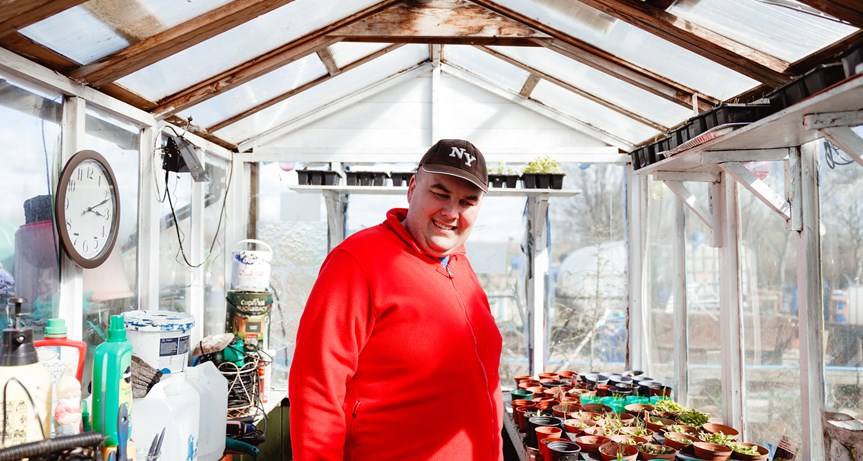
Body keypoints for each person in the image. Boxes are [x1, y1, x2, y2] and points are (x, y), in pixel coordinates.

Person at [289, 139, 503, 460]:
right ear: (412, 187)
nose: (451, 212)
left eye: (467, 202)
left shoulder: (461, 266)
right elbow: (317, 387)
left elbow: (487, 382)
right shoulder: (359, 261)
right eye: (440, 193)